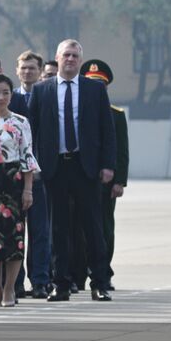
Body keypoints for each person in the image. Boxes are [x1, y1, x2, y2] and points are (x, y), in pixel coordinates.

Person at [25, 40, 117, 302]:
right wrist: (33, 164)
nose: (70, 59)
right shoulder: (42, 90)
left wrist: (108, 165)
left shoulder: (94, 89)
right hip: (54, 167)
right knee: (58, 229)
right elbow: (32, 130)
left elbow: (107, 131)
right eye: (66, 55)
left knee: (92, 226)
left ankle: (99, 282)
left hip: (85, 166)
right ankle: (61, 283)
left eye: (75, 56)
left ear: (80, 59)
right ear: (57, 57)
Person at [0, 74, 39, 307]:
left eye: (5, 92)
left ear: (11, 95)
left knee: (15, 238)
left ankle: (9, 289)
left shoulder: (20, 122)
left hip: (13, 180)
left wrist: (28, 190)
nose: (1, 97)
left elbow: (27, 157)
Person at [83, 59, 127, 295]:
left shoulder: (115, 114)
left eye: (100, 84)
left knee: (104, 228)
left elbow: (122, 150)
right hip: (81, 177)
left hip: (106, 183)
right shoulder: (75, 110)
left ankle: (103, 272)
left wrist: (119, 180)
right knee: (78, 229)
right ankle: (80, 272)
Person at [11, 50, 51, 297]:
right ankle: (15, 283)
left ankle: (40, 280)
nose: (27, 72)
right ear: (17, 71)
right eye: (23, 68)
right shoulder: (9, 97)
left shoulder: (48, 96)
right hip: (13, 175)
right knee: (16, 231)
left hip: (39, 175)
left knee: (40, 231)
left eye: (32, 68)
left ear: (40, 71)